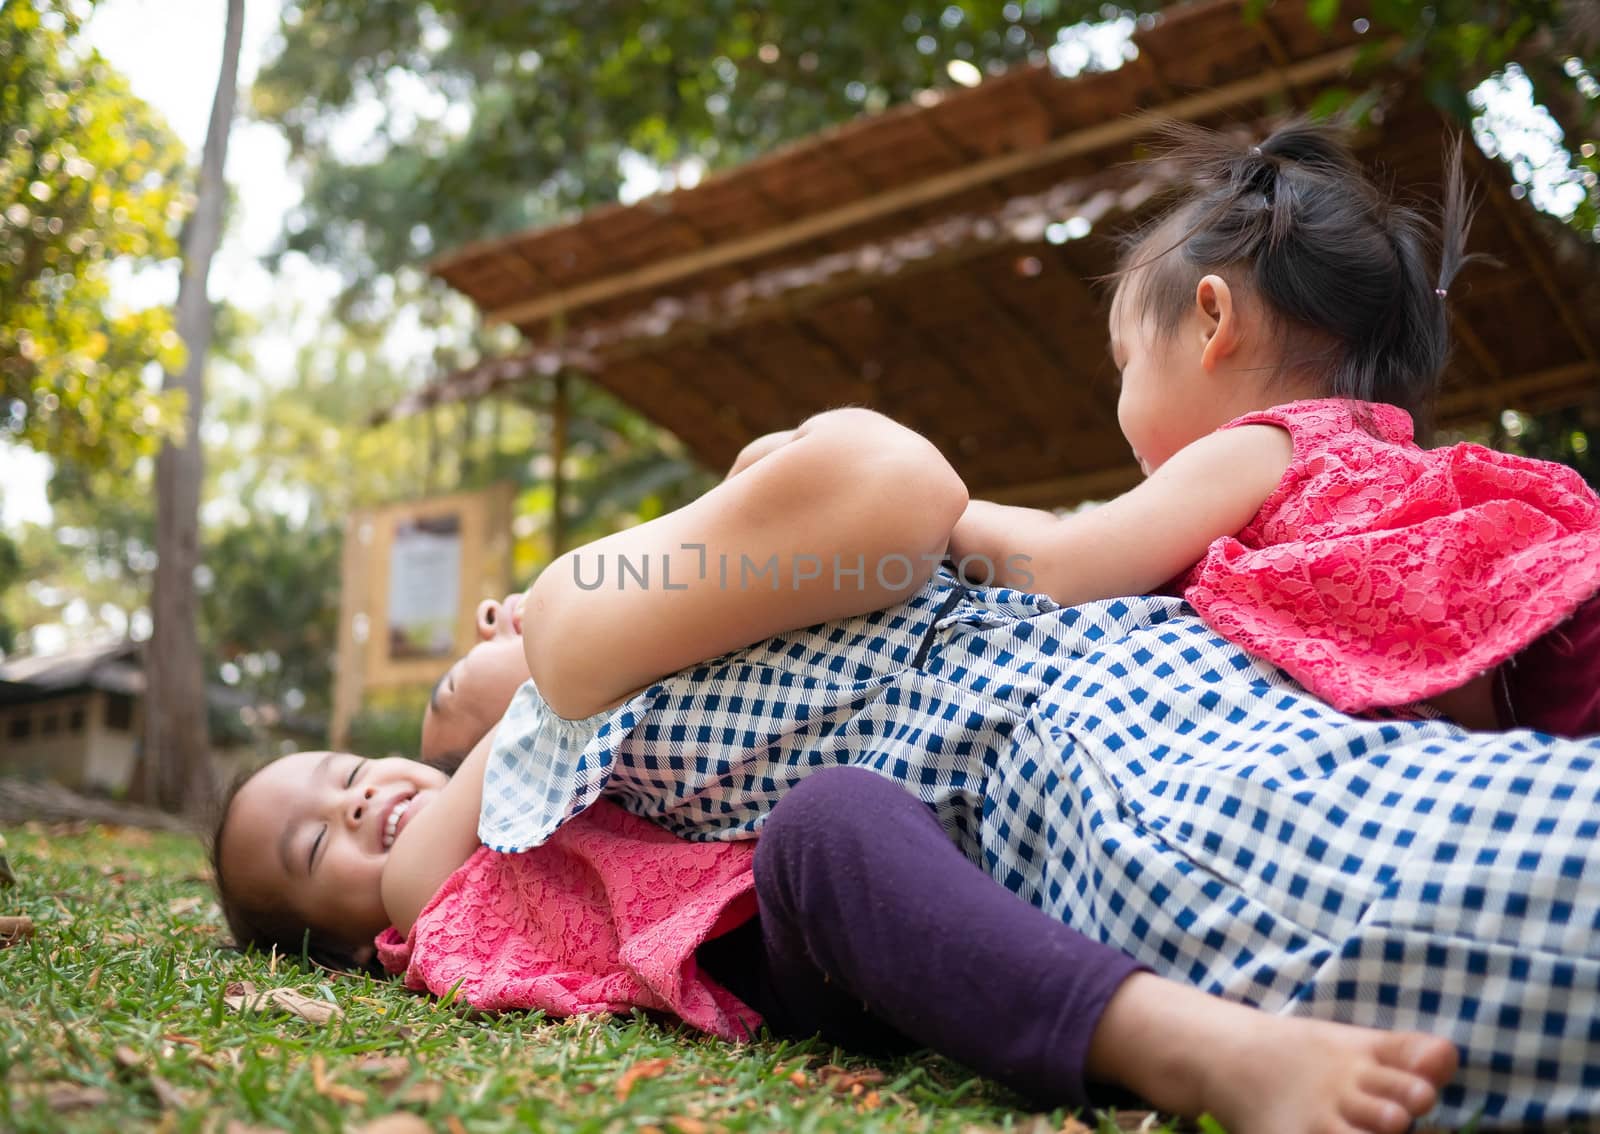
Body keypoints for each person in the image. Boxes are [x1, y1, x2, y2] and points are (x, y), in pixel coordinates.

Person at [947, 120, 1600, 737]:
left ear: (1212, 320)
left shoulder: (1264, 445)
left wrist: (950, 511)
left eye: (1127, 364)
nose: (1120, 399)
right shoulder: (1364, 457)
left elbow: (1062, 566)